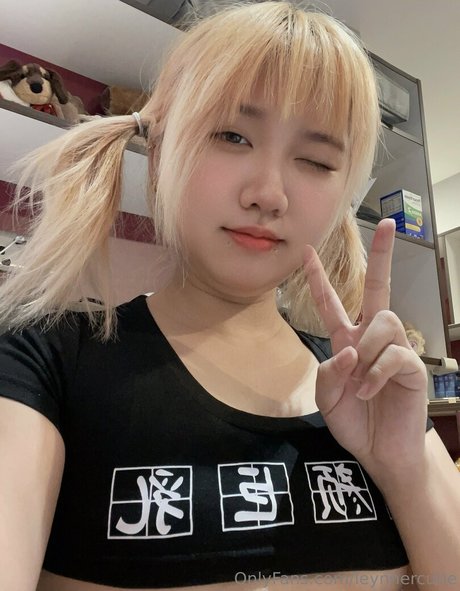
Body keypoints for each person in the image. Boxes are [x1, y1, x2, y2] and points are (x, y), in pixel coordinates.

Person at [0, 2, 458, 590]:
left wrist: (404, 467)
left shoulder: (371, 385)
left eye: (316, 160)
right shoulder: (44, 360)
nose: (269, 194)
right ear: (160, 154)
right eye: (231, 135)